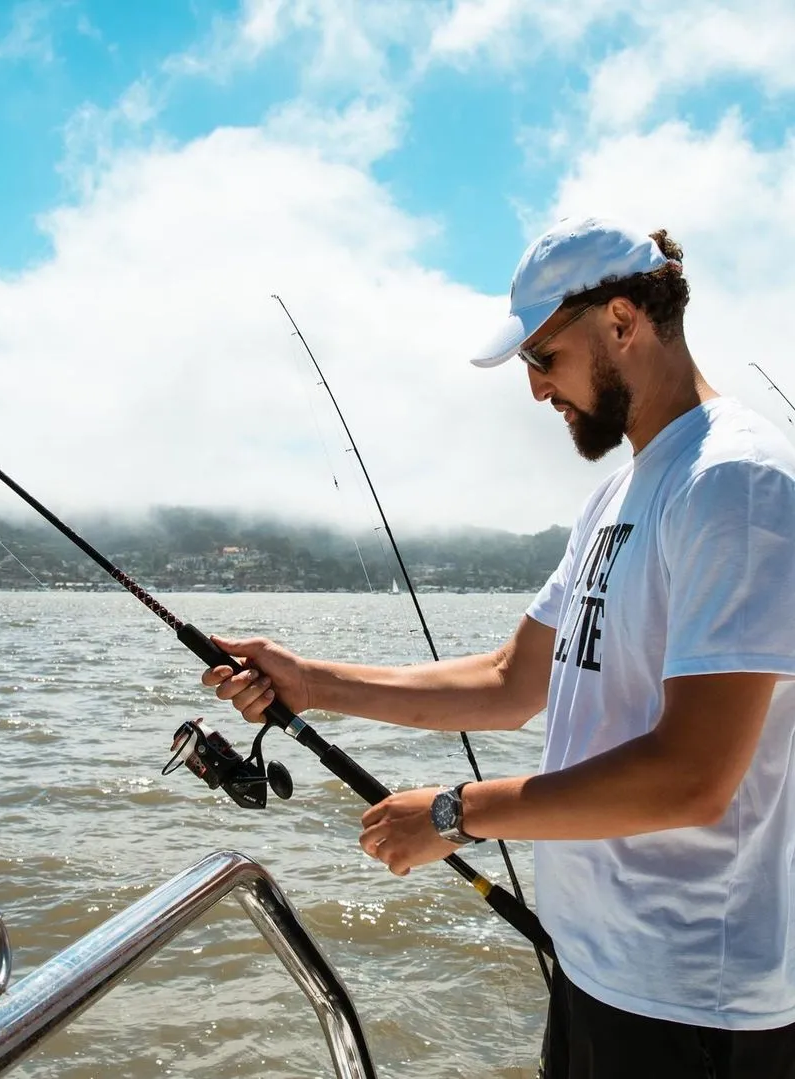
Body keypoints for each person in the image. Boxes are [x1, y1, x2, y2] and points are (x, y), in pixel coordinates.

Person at [202, 217, 795, 1078]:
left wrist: (454, 813)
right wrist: (310, 680)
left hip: (695, 1007)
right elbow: (511, 679)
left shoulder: (735, 482)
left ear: (622, 321)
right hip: (595, 970)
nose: (535, 390)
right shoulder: (619, 494)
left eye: (542, 358)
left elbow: (695, 774)